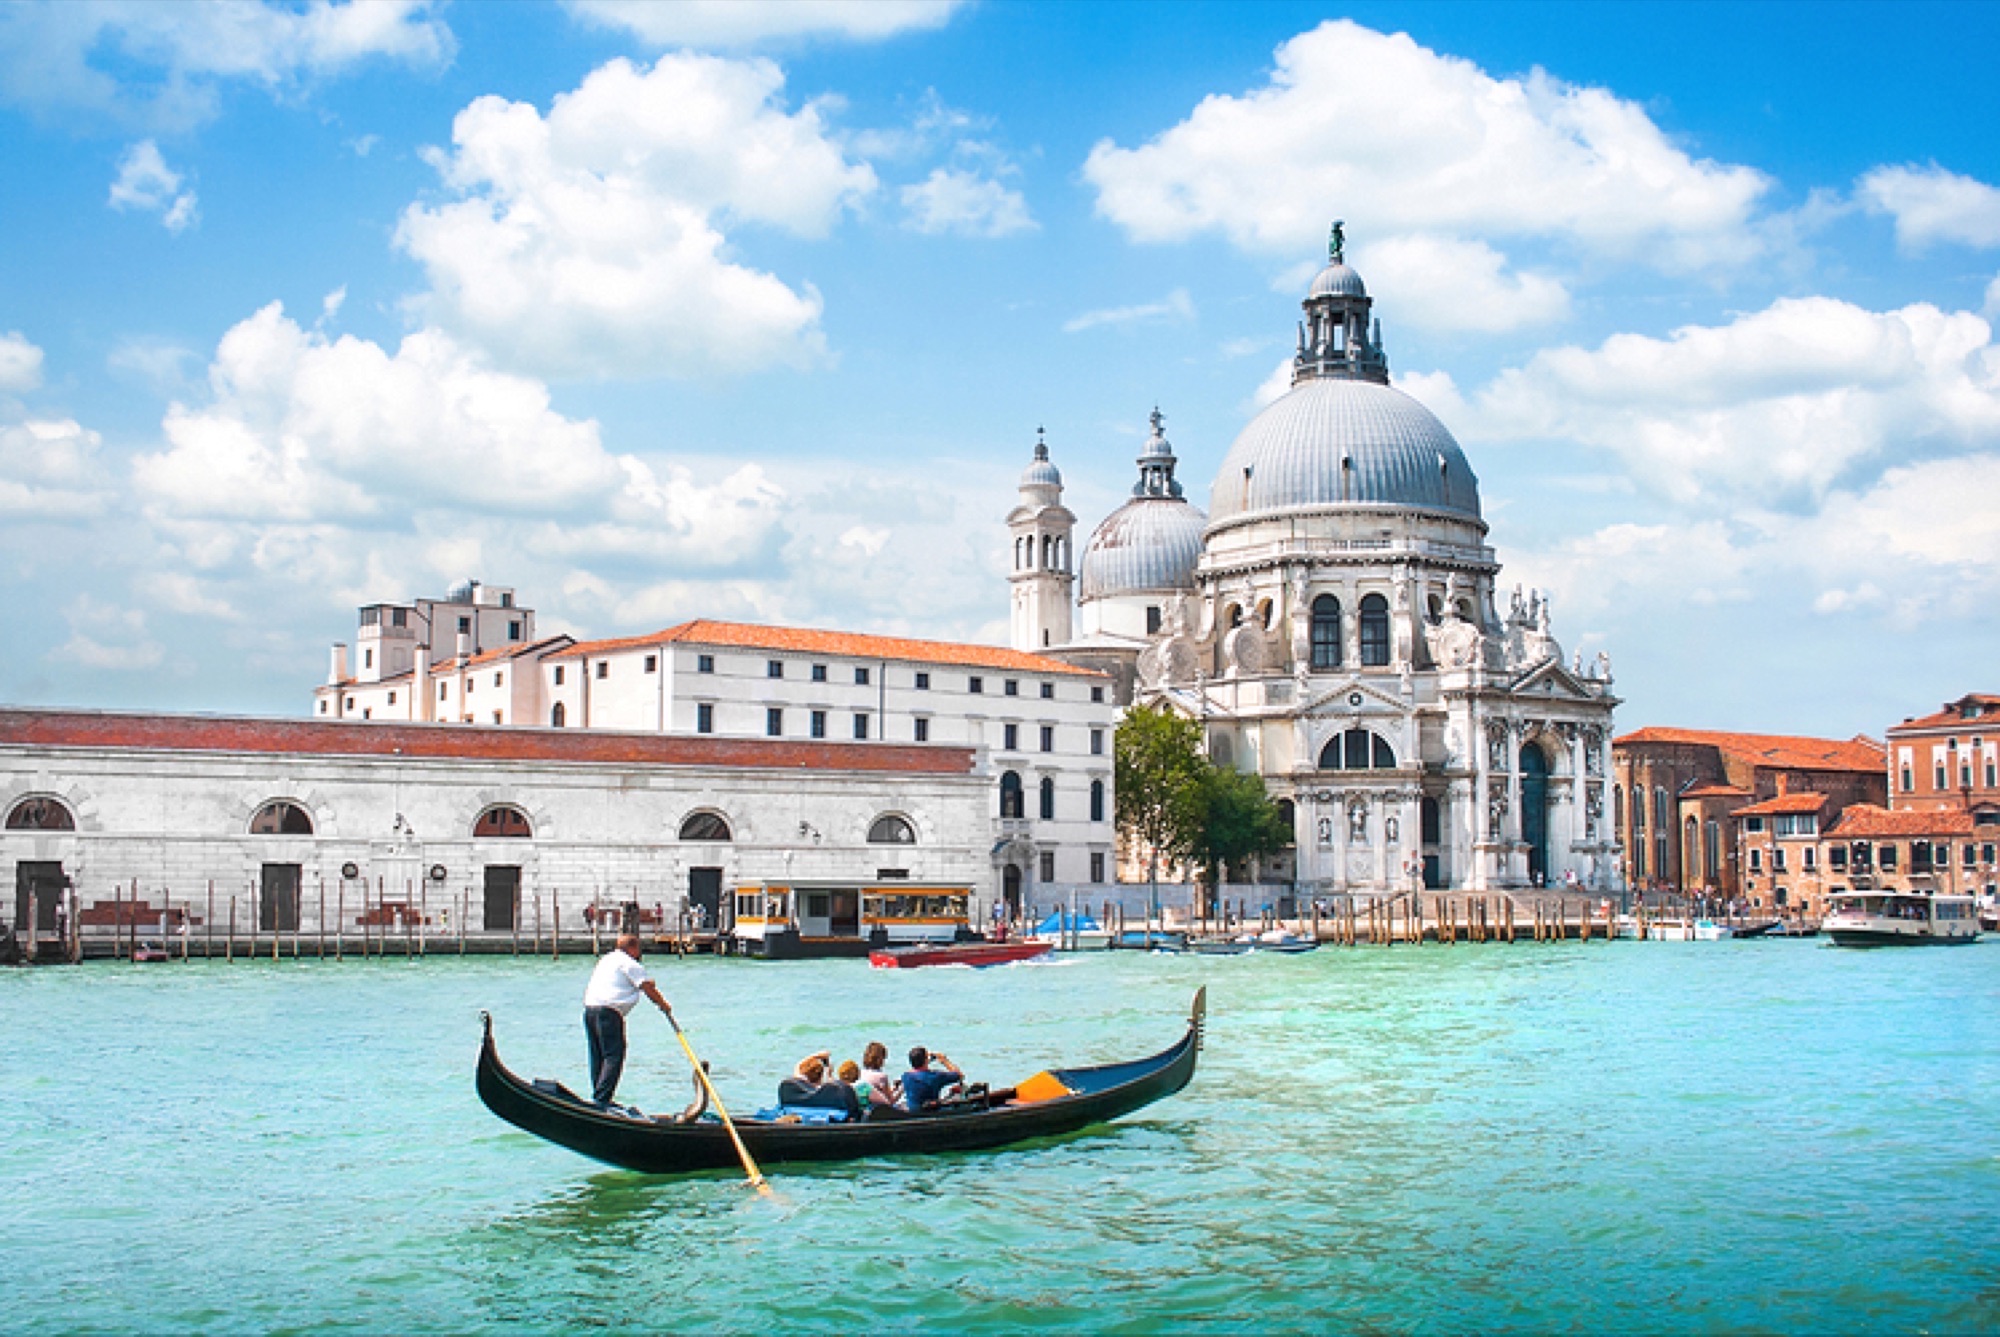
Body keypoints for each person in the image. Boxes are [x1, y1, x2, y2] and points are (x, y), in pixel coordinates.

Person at [582, 933, 673, 1108]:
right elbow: (647, 989)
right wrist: (664, 1005)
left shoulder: (607, 959)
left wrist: (648, 984)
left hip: (590, 1010)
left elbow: (629, 983)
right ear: (633, 949)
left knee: (598, 1055)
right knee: (613, 1056)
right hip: (608, 1013)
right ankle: (602, 1099)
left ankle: (598, 1096)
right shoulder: (631, 964)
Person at [899, 1046, 963, 1112]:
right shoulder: (935, 1076)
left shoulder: (906, 1076)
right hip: (931, 1111)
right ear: (925, 1060)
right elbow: (959, 1075)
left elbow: (917, 1070)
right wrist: (944, 1060)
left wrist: (926, 1060)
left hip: (913, 1110)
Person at [858, 1041, 900, 1111]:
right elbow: (891, 1101)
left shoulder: (860, 1073)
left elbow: (879, 1094)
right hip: (878, 1111)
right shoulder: (881, 1076)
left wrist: (894, 1089)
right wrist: (902, 1089)